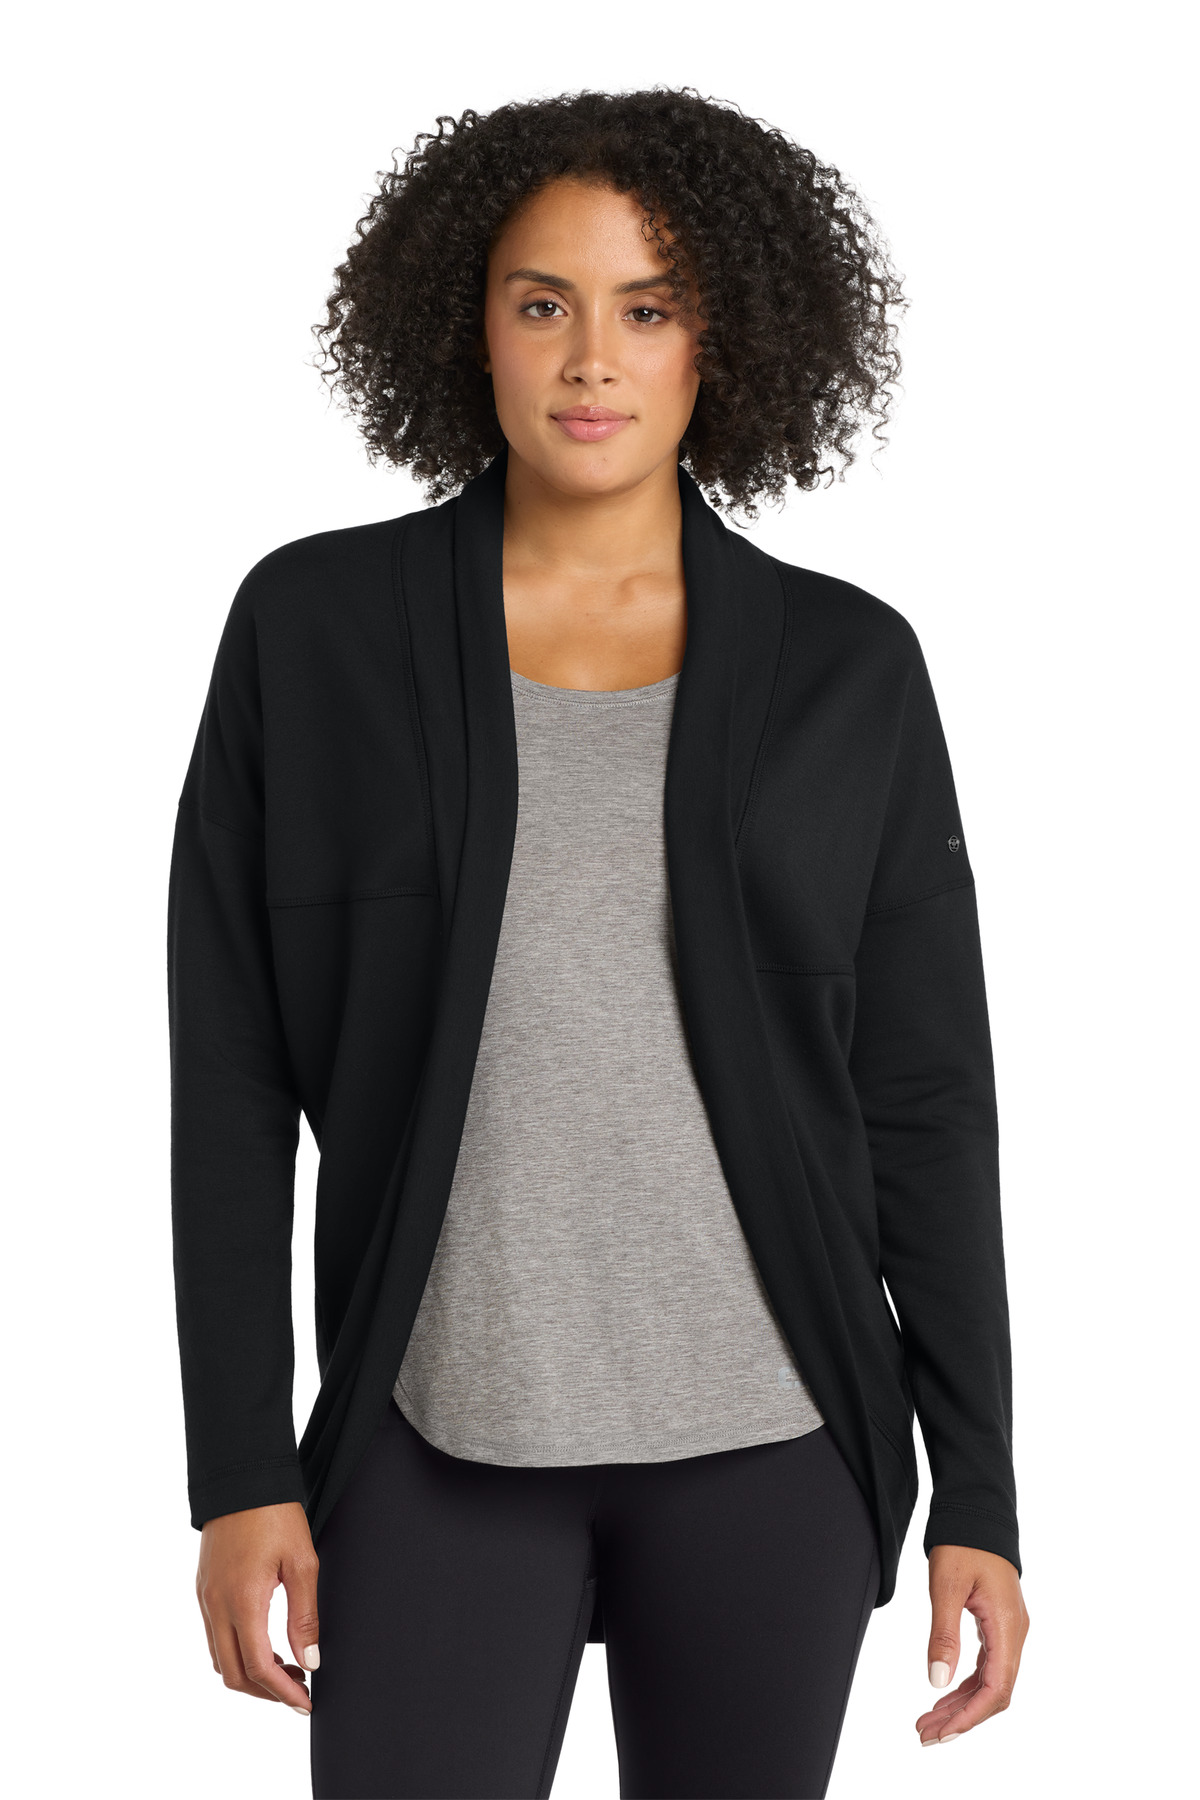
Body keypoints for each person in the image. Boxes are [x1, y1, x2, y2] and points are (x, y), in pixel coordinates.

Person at [170, 87, 1029, 1800]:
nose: (590, 360)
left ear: (728, 338)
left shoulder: (850, 669)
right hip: (430, 1432)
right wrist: (238, 1468)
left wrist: (981, 1499)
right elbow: (232, 1072)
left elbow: (927, 1100)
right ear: (466, 322)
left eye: (649, 308)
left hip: (775, 1443)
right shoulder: (312, 633)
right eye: (542, 301)